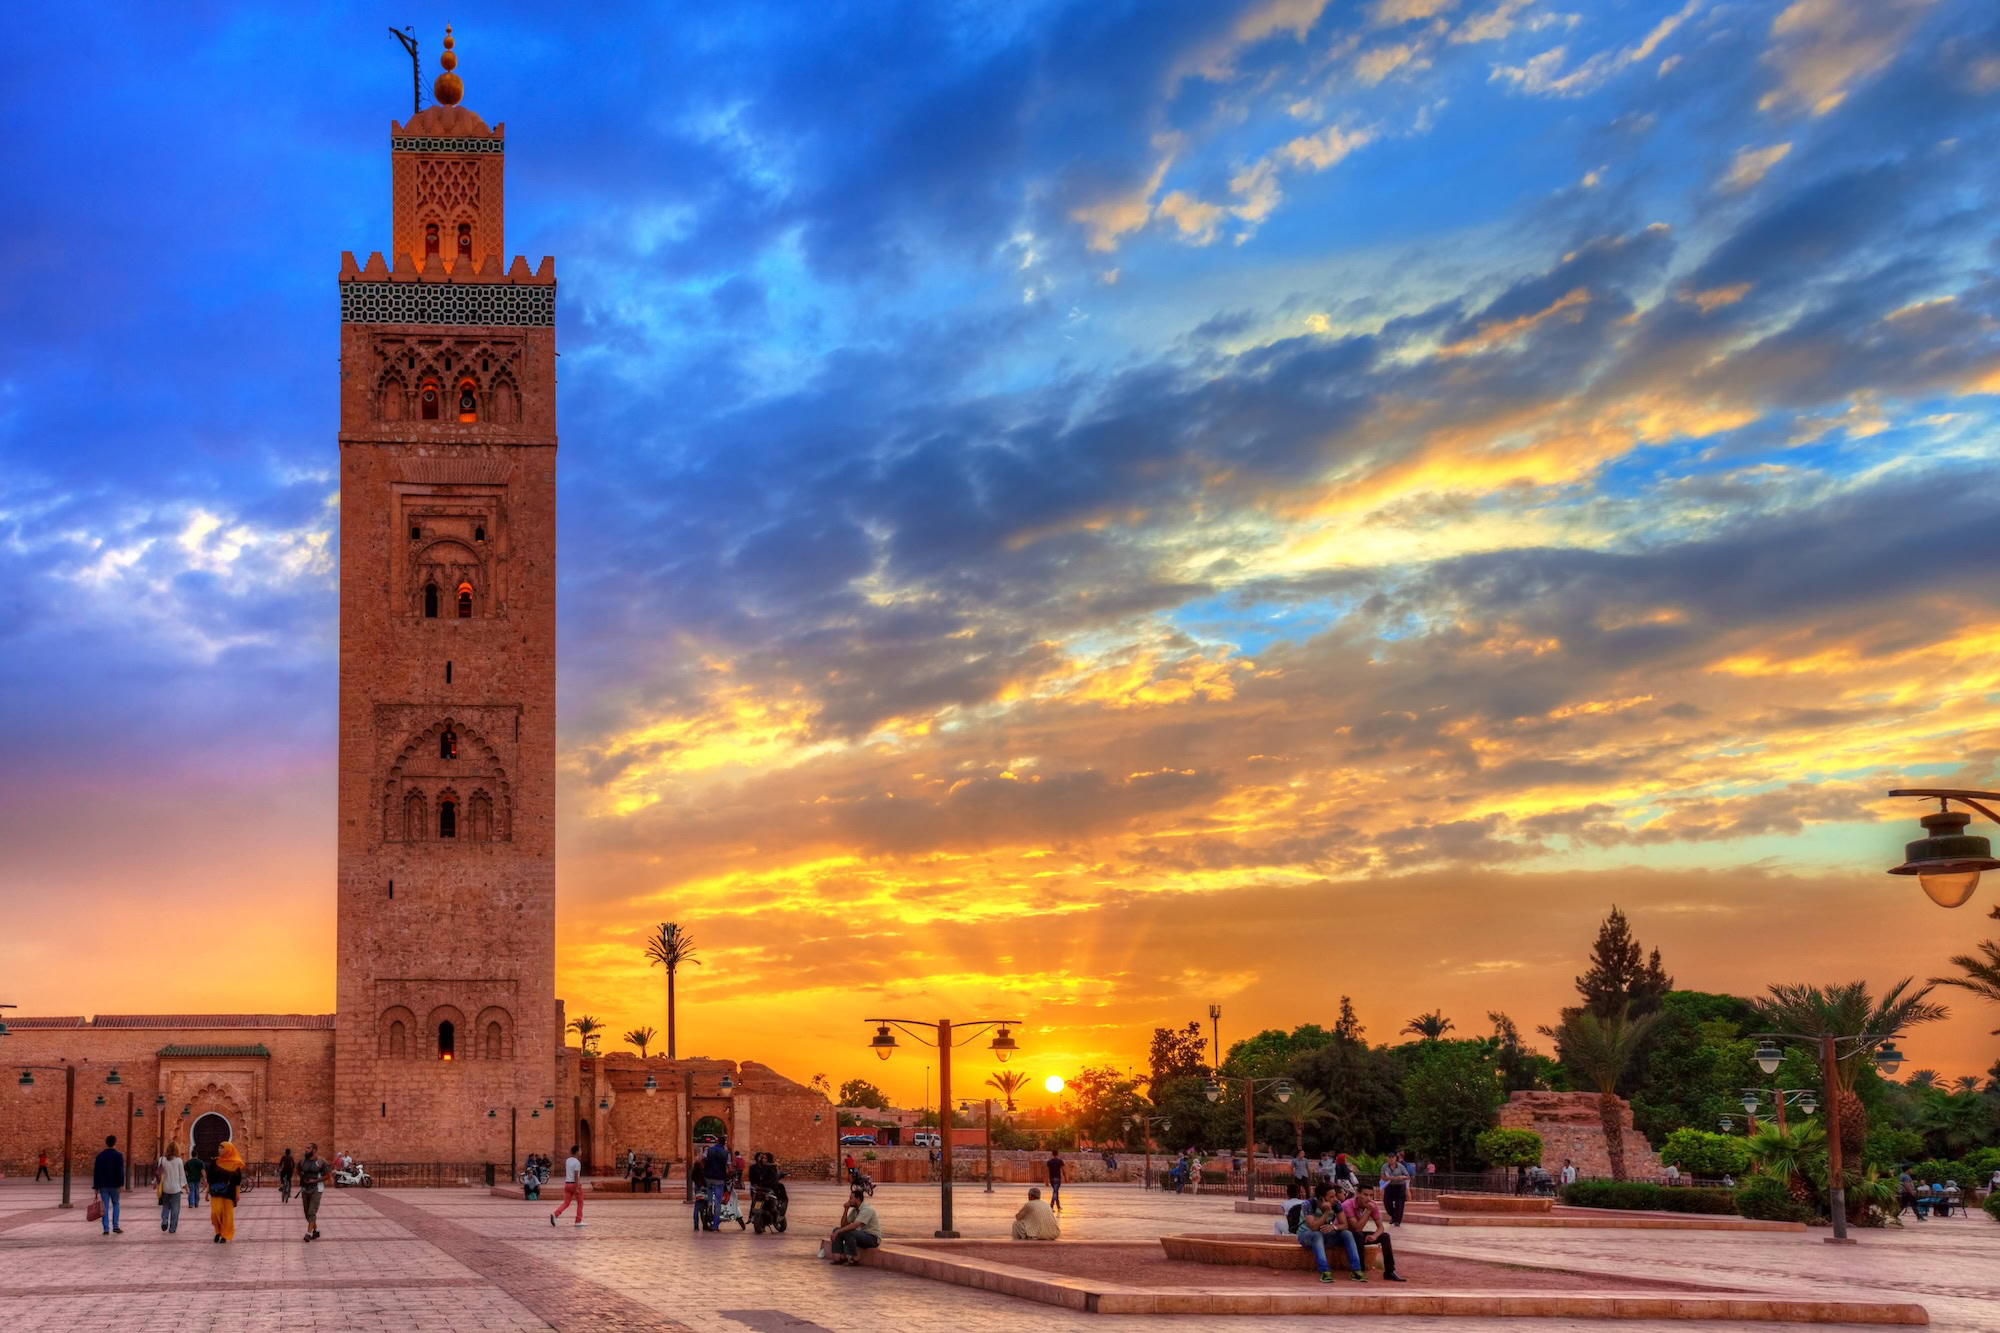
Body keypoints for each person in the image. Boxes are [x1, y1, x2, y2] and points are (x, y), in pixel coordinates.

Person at [1296, 1184, 1364, 1282]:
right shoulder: (1308, 1204)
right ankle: (1324, 1271)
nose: (1335, 1199)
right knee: (1317, 1235)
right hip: (1306, 1235)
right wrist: (1326, 1212)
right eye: (1331, 1197)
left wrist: (1333, 1227)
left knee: (1347, 1233)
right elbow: (1313, 1227)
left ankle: (1357, 1270)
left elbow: (1345, 1225)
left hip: (1324, 1235)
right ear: (1322, 1198)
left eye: (1335, 1195)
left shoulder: (1336, 1204)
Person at [1341, 1184, 1406, 1282]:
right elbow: (1356, 1228)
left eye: (1371, 1195)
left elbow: (1380, 1227)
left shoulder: (1372, 1205)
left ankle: (1389, 1271)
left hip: (1358, 1234)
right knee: (1358, 1235)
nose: (1368, 1198)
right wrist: (1368, 1211)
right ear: (1357, 1194)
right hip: (1345, 1236)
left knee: (1385, 1236)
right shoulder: (1347, 1205)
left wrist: (1374, 1236)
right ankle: (1360, 1270)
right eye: (1365, 1195)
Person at [827, 1186, 881, 1264]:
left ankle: (855, 1258)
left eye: (851, 1198)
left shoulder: (867, 1210)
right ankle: (839, 1257)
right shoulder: (855, 1211)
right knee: (837, 1230)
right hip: (860, 1236)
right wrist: (845, 1210)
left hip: (872, 1238)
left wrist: (838, 1231)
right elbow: (844, 1225)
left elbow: (855, 1225)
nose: (849, 1201)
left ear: (858, 1199)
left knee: (848, 1232)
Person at [207, 1141, 245, 1244]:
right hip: (216, 1192)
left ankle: (224, 1234)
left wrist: (237, 1194)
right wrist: (207, 1192)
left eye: (222, 1148)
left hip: (230, 1193)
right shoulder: (215, 1163)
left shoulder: (235, 1164)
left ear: (228, 1149)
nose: (219, 1150)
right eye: (219, 1148)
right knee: (215, 1213)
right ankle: (218, 1231)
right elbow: (209, 1179)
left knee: (228, 1215)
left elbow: (237, 1181)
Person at [92, 1134, 124, 1236]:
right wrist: (121, 1184)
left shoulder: (100, 1156)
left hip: (103, 1185)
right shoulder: (118, 1156)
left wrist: (96, 1186)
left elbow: (96, 1172)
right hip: (114, 1185)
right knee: (116, 1204)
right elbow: (120, 1171)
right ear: (114, 1143)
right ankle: (115, 1226)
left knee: (104, 1206)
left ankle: (106, 1228)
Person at [551, 1144, 586, 1226]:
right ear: (577, 1152)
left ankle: (555, 1214)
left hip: (567, 1184)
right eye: (580, 1150)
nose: (581, 1152)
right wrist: (577, 1187)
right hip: (574, 1184)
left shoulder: (568, 1160)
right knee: (580, 1203)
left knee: (566, 1203)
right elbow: (576, 1175)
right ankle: (578, 1220)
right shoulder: (577, 1162)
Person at [299, 1143, 327, 1242]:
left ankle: (308, 1233)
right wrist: (303, 1178)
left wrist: (315, 1180)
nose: (306, 1149)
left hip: (316, 1189)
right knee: (307, 1213)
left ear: (314, 1150)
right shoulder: (303, 1161)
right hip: (305, 1189)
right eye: (306, 1147)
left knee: (311, 1211)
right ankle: (316, 1230)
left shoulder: (321, 1162)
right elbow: (297, 1170)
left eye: (308, 1148)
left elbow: (328, 1175)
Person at [156, 1141, 186, 1233]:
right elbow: (182, 1175)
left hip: (165, 1187)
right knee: (175, 1209)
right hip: (176, 1188)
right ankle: (172, 1228)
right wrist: (185, 1186)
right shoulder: (179, 1160)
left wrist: (154, 1182)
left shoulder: (161, 1159)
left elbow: (158, 1173)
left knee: (166, 1206)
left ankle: (164, 1221)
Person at [702, 1135, 731, 1229]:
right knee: (718, 1201)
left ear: (717, 1142)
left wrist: (704, 1168)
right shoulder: (726, 1153)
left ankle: (710, 1204)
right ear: (724, 1143)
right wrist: (728, 1173)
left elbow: (702, 1159)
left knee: (709, 1192)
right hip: (719, 1179)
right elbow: (729, 1169)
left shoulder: (709, 1150)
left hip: (708, 1177)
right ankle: (715, 1225)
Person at [1379, 1151, 1410, 1225]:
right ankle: (1393, 1216)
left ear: (1395, 1158)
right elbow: (1383, 1177)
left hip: (1399, 1186)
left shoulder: (1400, 1166)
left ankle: (1397, 1221)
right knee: (1387, 1203)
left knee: (1399, 1203)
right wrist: (1394, 1178)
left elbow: (1407, 1176)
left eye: (1392, 1158)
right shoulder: (1384, 1166)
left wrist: (1402, 1177)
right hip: (1389, 1186)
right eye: (1389, 1158)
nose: (1391, 1159)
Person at [185, 1147, 206, 1211]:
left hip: (190, 1178)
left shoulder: (188, 1162)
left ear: (191, 1155)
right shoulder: (200, 1162)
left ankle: (191, 1203)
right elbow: (202, 1171)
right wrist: (204, 1178)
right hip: (197, 1179)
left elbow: (186, 1172)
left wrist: (186, 1178)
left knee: (191, 1191)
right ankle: (196, 1203)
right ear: (197, 1155)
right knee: (197, 1190)